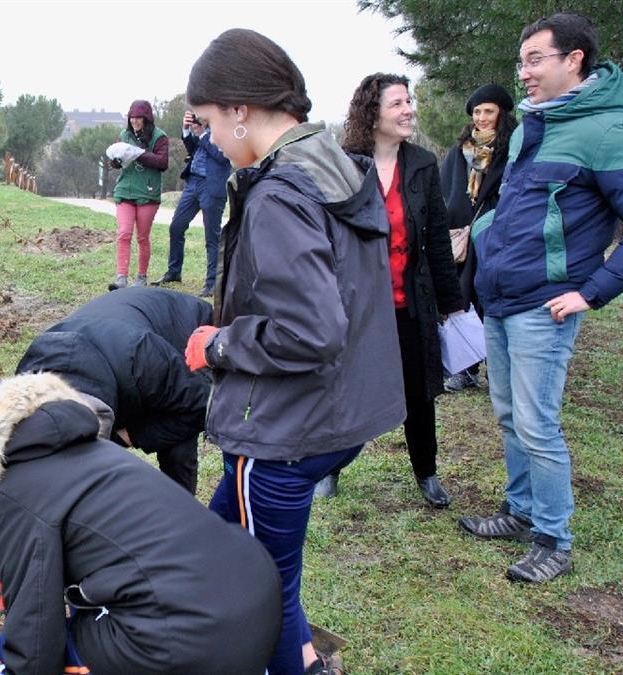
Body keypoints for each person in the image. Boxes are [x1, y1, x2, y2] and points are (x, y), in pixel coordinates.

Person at [182, 29, 406, 675]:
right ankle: (297, 655)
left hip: (285, 430)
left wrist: (220, 343)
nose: (211, 139)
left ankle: (296, 663)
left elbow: (311, 329)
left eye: (210, 121)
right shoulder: (336, 167)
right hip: (338, 415)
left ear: (241, 109)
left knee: (265, 587)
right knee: (220, 545)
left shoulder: (280, 192)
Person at [0, 374, 282, 675]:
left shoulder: (9, 493)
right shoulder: (93, 451)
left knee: (8, 654)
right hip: (254, 598)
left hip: (193, 635)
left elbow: (34, 636)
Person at [458, 13, 623, 583]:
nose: (522, 73)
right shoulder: (533, 122)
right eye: (520, 61)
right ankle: (519, 511)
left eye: (535, 60)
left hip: (545, 304)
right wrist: (482, 236)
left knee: (537, 423)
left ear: (573, 60)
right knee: (508, 415)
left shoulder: (605, 130)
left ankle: (554, 538)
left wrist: (592, 293)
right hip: (502, 298)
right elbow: (517, 204)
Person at [318, 74, 463, 508]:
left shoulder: (421, 164)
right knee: (347, 390)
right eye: (397, 103)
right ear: (372, 113)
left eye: (409, 101)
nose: (408, 110)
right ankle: (329, 468)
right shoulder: (345, 163)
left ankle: (427, 473)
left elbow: (436, 235)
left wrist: (451, 304)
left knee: (418, 392)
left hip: (410, 302)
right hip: (358, 307)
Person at [15, 286, 213, 494]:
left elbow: (202, 405)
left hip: (185, 331)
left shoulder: (142, 359)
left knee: (177, 450)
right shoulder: (28, 383)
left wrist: (132, 435)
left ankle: (180, 513)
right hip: (117, 338)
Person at [438, 83, 518, 391]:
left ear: (501, 114)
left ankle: (497, 368)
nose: (482, 118)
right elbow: (447, 191)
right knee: (461, 297)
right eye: (477, 112)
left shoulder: (511, 149)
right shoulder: (461, 151)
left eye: (488, 111)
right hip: (460, 236)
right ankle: (465, 366)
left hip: (495, 234)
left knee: (491, 297)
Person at [155, 111, 232, 297]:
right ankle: (174, 272)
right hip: (193, 183)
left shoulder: (225, 129)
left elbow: (222, 156)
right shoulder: (203, 131)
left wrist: (203, 135)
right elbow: (193, 149)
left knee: (211, 236)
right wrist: (187, 130)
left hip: (211, 186)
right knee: (176, 227)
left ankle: (212, 282)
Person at [109, 100, 168, 289]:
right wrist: (115, 162)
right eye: (132, 118)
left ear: (146, 119)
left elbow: (162, 162)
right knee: (124, 233)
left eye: (138, 118)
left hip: (147, 193)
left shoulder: (160, 137)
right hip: (125, 189)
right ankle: (121, 277)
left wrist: (138, 153)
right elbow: (119, 158)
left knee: (142, 237)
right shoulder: (124, 135)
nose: (134, 121)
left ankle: (141, 277)